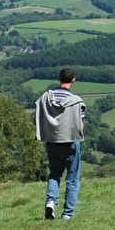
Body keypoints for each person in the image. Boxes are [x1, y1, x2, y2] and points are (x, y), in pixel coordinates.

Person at [35, 67, 87, 221]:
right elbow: (81, 124)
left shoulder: (46, 98)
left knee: (54, 174)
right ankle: (67, 214)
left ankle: (51, 202)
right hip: (70, 142)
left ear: (59, 79)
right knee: (72, 178)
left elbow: (37, 117)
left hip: (52, 141)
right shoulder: (77, 102)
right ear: (73, 80)